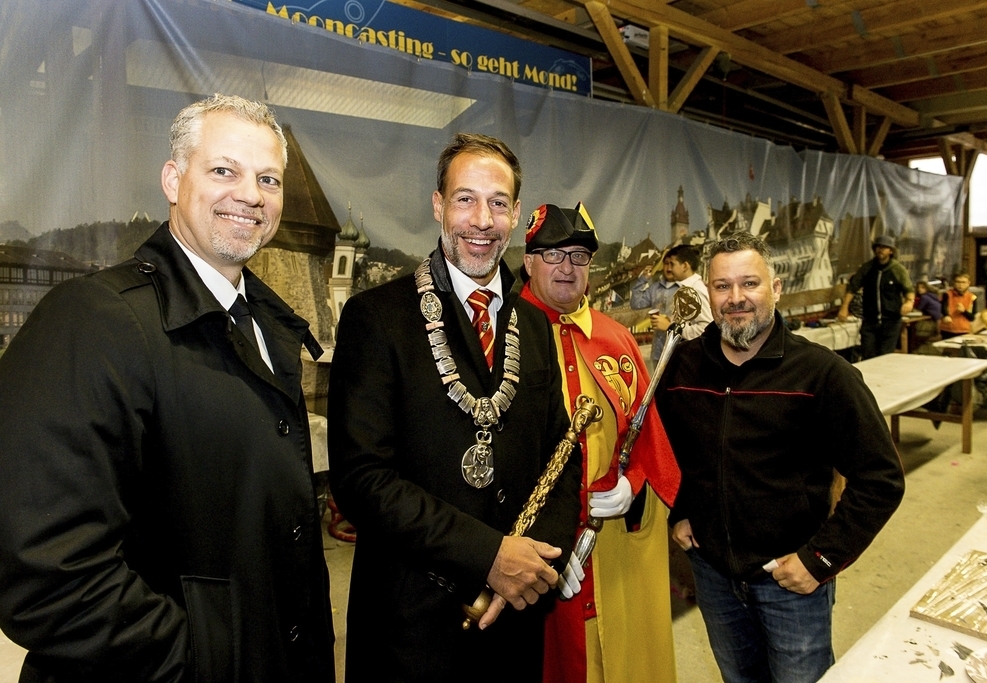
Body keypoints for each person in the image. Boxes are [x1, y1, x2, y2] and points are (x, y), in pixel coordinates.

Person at [0, 94, 335, 681]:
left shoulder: (267, 326)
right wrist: (201, 658)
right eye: (223, 171)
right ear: (174, 180)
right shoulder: (93, 319)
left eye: (268, 179)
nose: (251, 195)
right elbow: (45, 571)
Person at [328, 133, 581, 681]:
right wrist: (488, 556)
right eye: (465, 199)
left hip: (515, 614)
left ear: (515, 213)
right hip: (413, 621)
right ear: (438, 205)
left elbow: (563, 453)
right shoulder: (378, 318)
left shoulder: (532, 325)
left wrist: (540, 564)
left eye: (497, 203)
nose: (481, 220)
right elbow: (360, 478)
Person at [656, 232, 905, 683]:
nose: (736, 299)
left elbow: (881, 479)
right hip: (712, 575)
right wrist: (680, 510)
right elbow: (667, 450)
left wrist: (820, 559)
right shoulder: (682, 368)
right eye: (722, 286)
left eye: (750, 283)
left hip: (790, 581)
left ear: (777, 288)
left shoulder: (824, 374)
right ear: (707, 292)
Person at [518, 203, 680, 683]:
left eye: (579, 256)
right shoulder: (503, 340)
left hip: (610, 553)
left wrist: (634, 486)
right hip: (533, 555)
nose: (567, 268)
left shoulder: (617, 341)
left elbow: (649, 441)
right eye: (553, 255)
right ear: (528, 262)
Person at [631, 244, 712, 365]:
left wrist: (671, 327)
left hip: (686, 356)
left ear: (685, 266)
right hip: (666, 353)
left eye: (672, 264)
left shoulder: (694, 290)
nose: (669, 269)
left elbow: (707, 328)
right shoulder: (686, 287)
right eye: (666, 264)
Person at [837, 233, 914, 358]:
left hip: (891, 320)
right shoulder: (867, 268)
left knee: (885, 356)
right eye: (878, 247)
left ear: (891, 251)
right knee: (868, 353)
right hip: (870, 320)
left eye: (884, 247)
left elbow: (908, 289)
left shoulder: (897, 269)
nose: (880, 250)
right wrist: (844, 307)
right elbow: (852, 288)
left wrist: (909, 302)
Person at [939, 272, 978, 339]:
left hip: (964, 331)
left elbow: (972, 317)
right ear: (954, 282)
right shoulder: (947, 294)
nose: (960, 285)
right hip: (948, 330)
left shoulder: (972, 297)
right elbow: (943, 308)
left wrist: (964, 311)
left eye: (963, 282)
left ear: (968, 283)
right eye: (958, 282)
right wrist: (946, 315)